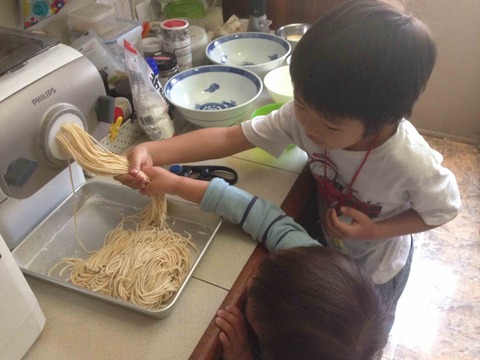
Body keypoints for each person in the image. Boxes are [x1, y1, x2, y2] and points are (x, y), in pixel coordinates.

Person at [116, 0, 461, 331]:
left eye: (330, 127)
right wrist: (155, 150)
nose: (308, 128)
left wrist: (375, 231)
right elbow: (227, 139)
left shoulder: (409, 162)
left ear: (383, 119)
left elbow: (443, 210)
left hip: (377, 269)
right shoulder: (308, 118)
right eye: (301, 105)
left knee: (360, 333)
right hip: (329, 248)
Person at [138, 165, 390, 360]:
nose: (252, 280)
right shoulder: (311, 260)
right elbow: (260, 215)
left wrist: (243, 356)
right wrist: (176, 183)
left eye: (253, 300)